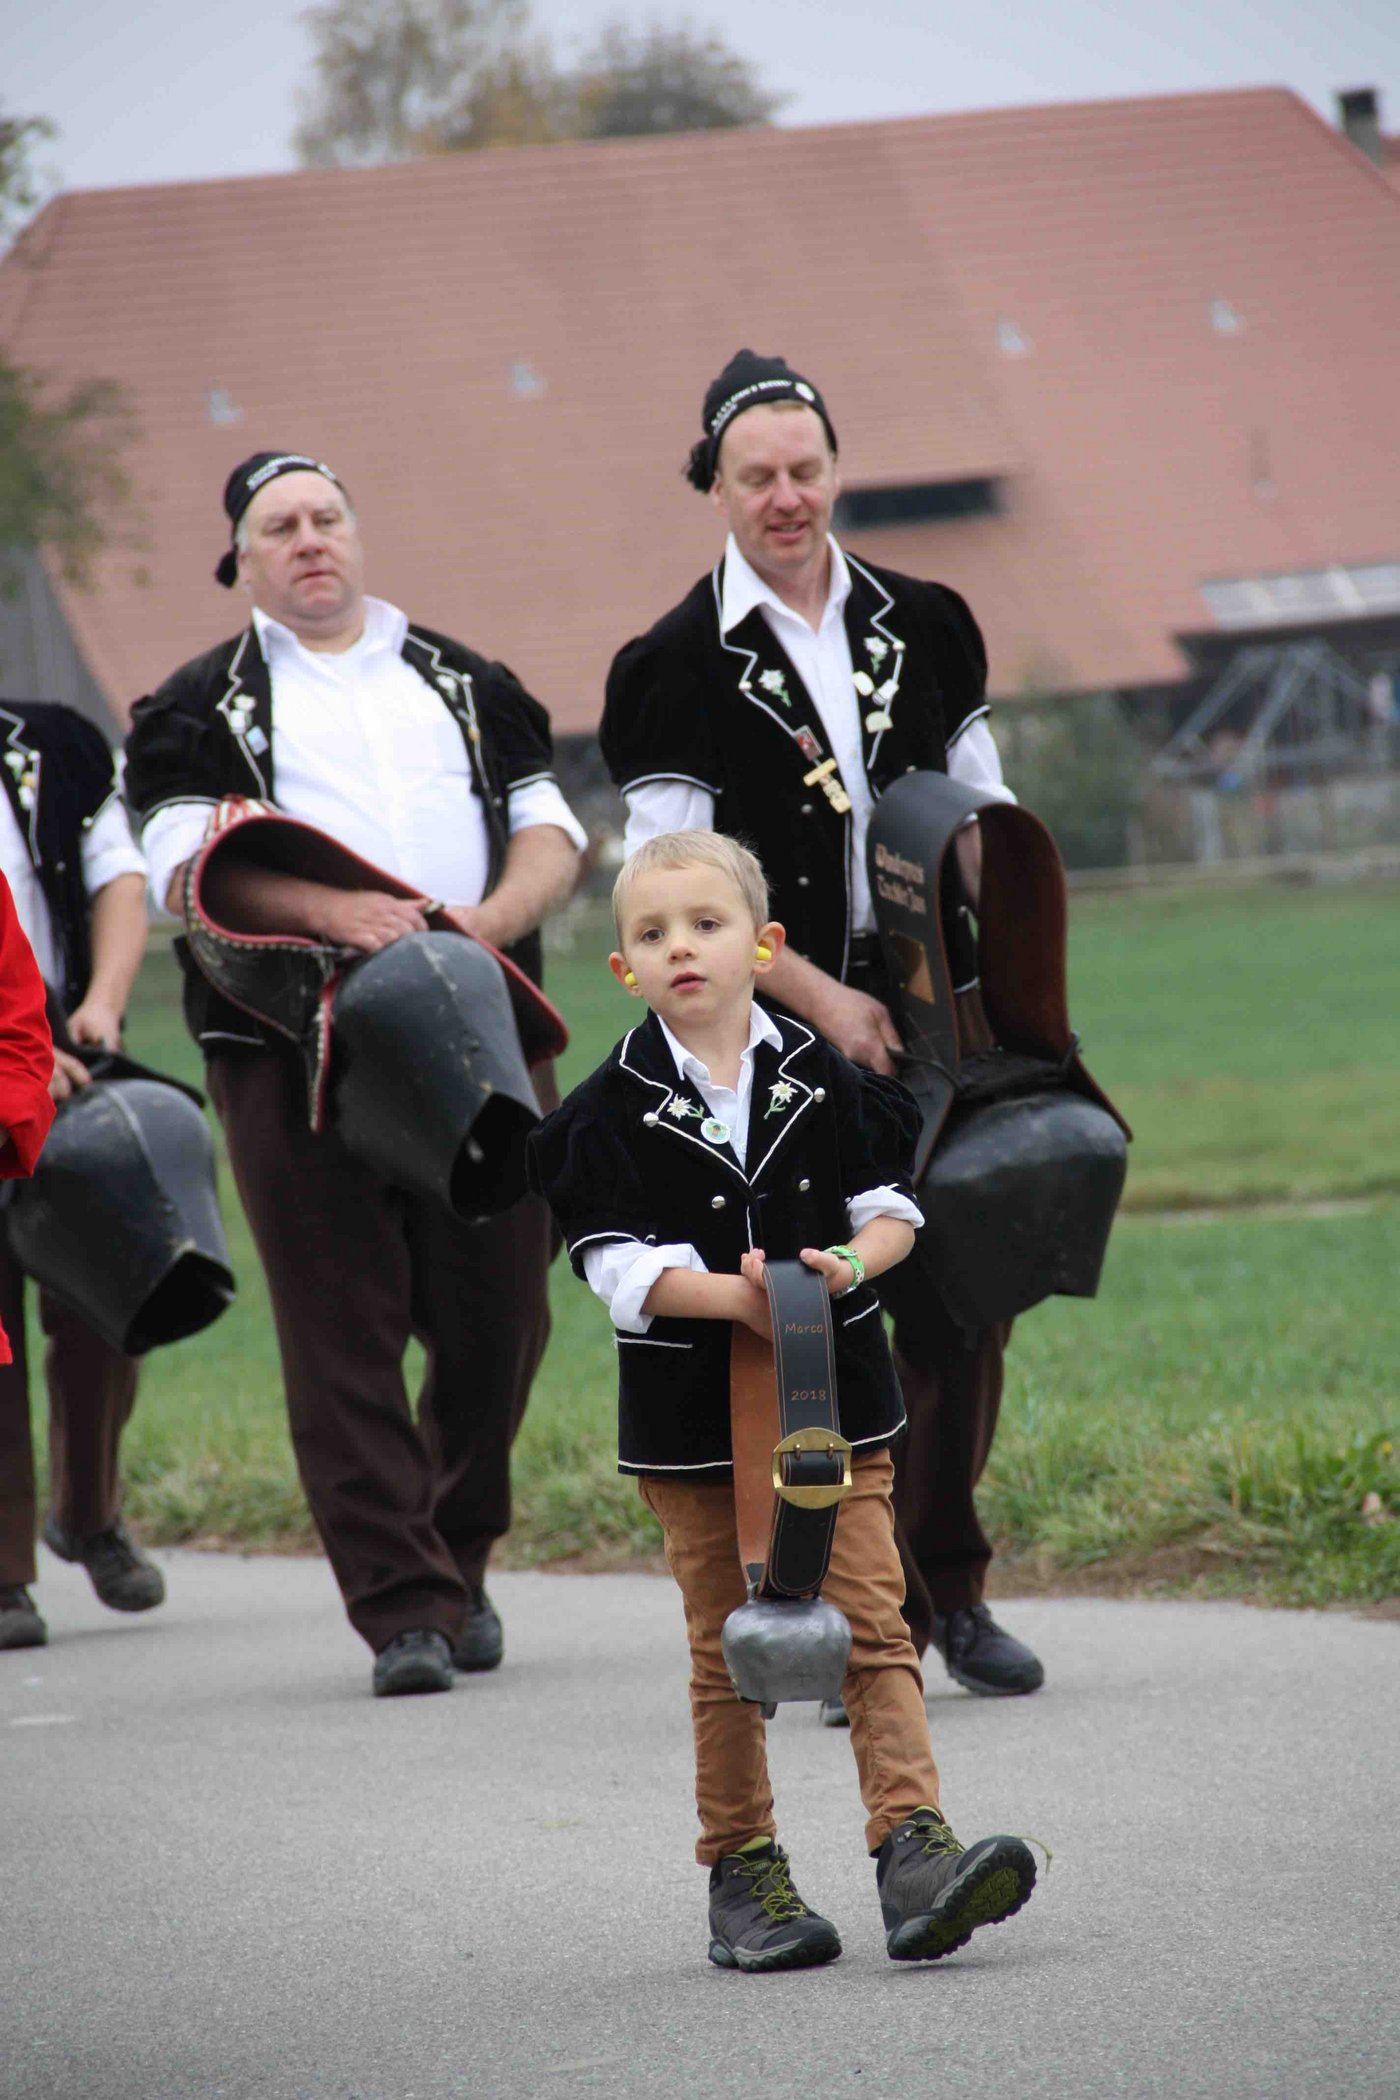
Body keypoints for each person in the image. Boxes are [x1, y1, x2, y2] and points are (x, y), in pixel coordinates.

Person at [600, 350, 1043, 1703]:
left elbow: (982, 822)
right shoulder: (669, 666)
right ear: (716, 489)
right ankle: (823, 1609)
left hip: (934, 1013)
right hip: (771, 1026)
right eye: (757, 478)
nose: (785, 498)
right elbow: (677, 890)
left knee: (963, 1304)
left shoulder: (933, 617)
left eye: (805, 471)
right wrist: (816, 998)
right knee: (817, 1317)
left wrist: (1007, 991)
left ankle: (949, 1591)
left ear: (836, 471)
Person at [528, 830, 1036, 1969]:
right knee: (731, 1648)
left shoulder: (832, 1081)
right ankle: (743, 1871)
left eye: (704, 925)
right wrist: (746, 1300)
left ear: (761, 945)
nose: (680, 948)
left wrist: (843, 1270)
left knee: (870, 1621)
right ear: (623, 970)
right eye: (651, 935)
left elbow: (893, 1213)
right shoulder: (605, 1112)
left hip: (834, 1409)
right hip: (689, 1426)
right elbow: (616, 1271)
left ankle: (914, 1847)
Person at [123, 451, 585, 1697]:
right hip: (288, 1046)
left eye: (327, 517)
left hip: (476, 1026)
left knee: (503, 1308)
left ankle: (458, 1546)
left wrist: (486, 923)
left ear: (358, 532)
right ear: (242, 557)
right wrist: (345, 913)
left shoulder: (469, 680)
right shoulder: (191, 708)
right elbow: (186, 869)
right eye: (280, 526)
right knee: (343, 1331)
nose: (310, 539)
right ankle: (404, 1610)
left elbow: (554, 830)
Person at [0, 701, 156, 1652]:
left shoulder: (53, 740)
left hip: (64, 1048)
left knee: (111, 1290)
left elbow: (119, 878)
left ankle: (87, 1509)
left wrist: (96, 1008)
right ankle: (5, 1574)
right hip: (16, 1051)